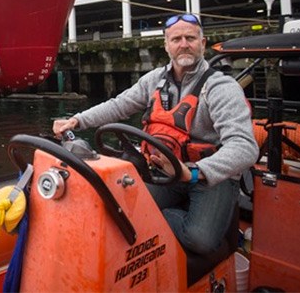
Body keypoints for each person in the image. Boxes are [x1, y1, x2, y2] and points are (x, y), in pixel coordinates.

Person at [53, 13, 258, 255]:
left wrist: (191, 172)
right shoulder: (155, 79)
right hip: (164, 171)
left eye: (190, 38)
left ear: (202, 44)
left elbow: (245, 147)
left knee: (199, 240)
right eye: (176, 39)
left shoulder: (221, 88)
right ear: (167, 45)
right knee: (122, 207)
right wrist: (77, 120)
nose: (183, 44)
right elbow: (119, 105)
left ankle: (167, 217)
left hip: (209, 176)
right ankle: (166, 214)